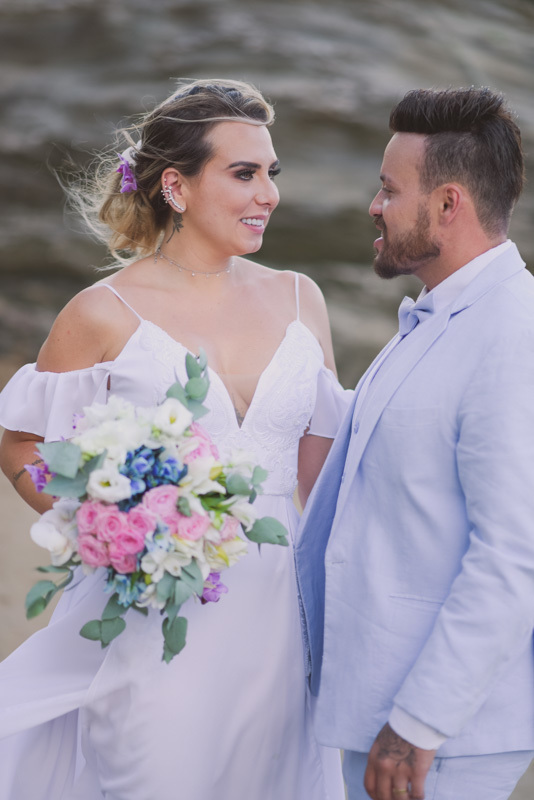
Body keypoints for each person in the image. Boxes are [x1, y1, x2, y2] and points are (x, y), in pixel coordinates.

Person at [0, 78, 348, 800]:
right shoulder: (104, 312)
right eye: (244, 173)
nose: (268, 194)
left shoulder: (299, 297)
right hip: (154, 618)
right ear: (176, 187)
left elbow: (322, 472)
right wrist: (105, 532)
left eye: (271, 174)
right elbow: (21, 442)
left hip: (283, 625)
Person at [294, 86, 534, 800]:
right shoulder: (436, 318)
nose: (375, 206)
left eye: (389, 190)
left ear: (449, 204)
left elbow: (513, 558)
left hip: (440, 737)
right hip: (378, 705)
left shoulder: (511, 336)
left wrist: (418, 723)